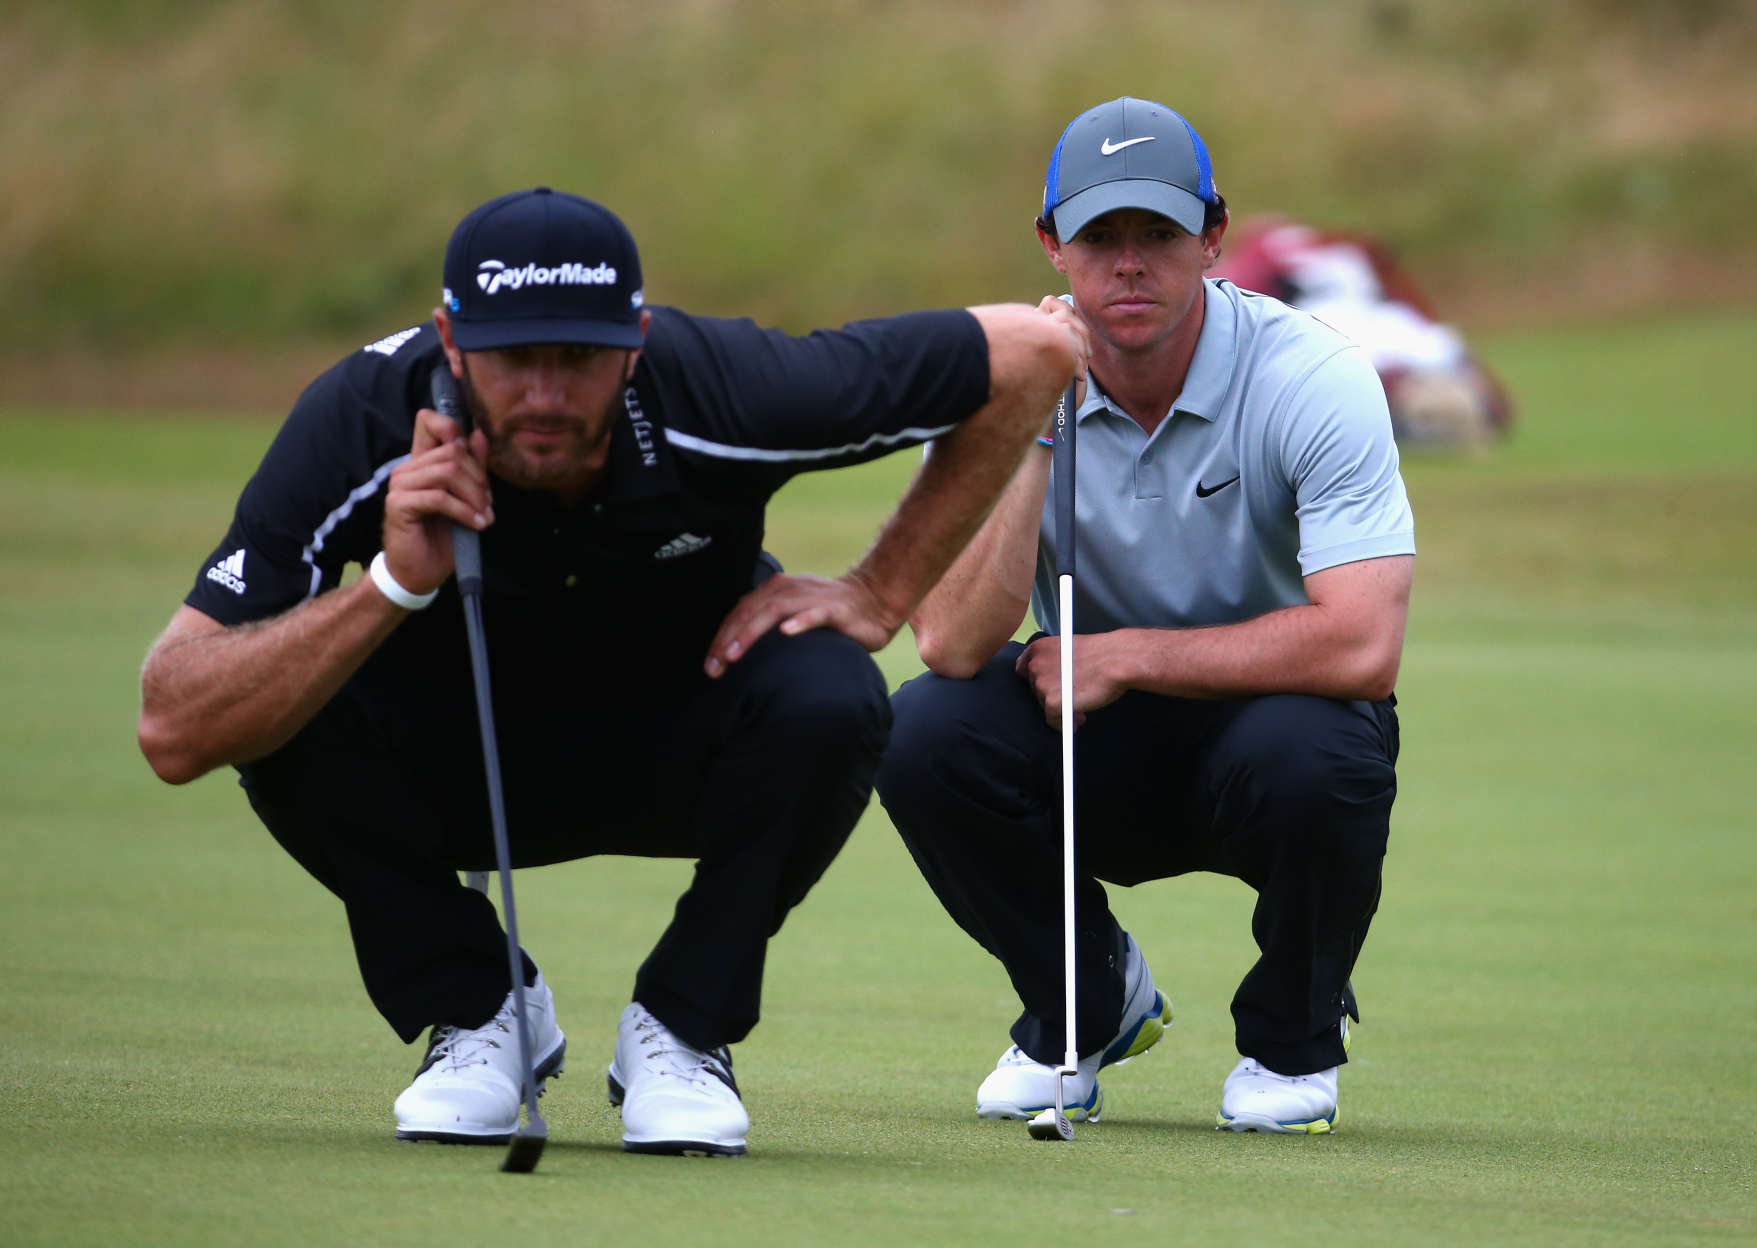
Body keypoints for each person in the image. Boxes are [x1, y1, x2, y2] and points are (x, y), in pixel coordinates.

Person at [137, 187, 1085, 1157]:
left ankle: (681, 1031)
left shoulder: (724, 389)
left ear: (634, 342)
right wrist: (389, 586)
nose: (545, 395)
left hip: (680, 752)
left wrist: (881, 592)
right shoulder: (363, 418)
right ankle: (476, 1011)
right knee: (282, 703)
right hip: (461, 770)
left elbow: (1035, 354)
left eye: (579, 359)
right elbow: (176, 722)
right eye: (513, 361)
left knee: (831, 690)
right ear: (450, 341)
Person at [875, 99, 1414, 1134]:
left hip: (1270, 731)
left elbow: (1363, 644)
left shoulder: (1312, 375)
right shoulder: (997, 384)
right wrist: (1030, 420)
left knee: (1328, 751)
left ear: (1213, 240)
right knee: (921, 731)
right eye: (1101, 238)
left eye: (1159, 236)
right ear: (1052, 247)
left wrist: (1130, 655)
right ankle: (1083, 1005)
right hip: (1086, 738)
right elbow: (949, 641)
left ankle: (1291, 1044)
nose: (1130, 264)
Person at [1210, 216, 1515, 448]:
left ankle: (1404, 417)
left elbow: (1230, 294)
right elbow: (1399, 284)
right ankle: (1433, 412)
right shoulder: (1346, 247)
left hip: (1332, 327)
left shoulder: (1262, 250)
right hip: (1386, 322)